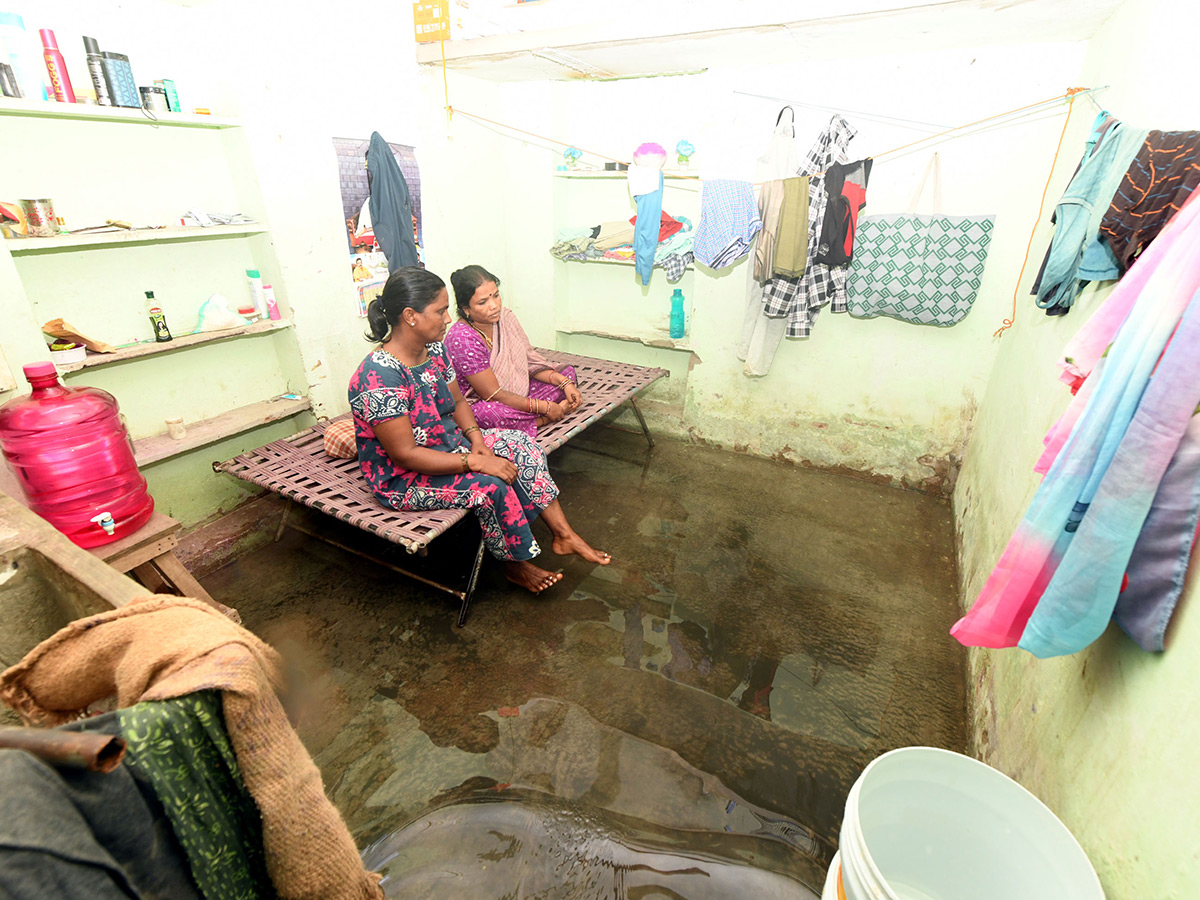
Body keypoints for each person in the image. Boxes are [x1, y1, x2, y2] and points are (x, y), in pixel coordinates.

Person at [348, 266, 610, 594]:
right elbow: (405, 454)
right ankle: (515, 565)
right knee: (490, 483)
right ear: (410, 316)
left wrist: (476, 440)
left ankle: (563, 535)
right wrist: (476, 462)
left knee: (520, 446)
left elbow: (458, 402)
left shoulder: (435, 353)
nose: (448, 319)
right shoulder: (378, 376)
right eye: (441, 311)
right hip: (403, 477)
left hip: (450, 445)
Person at [443, 265, 582, 438]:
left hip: (517, 393)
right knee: (488, 414)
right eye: (482, 302)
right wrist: (544, 408)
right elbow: (492, 394)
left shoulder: (505, 317)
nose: (494, 305)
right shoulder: (462, 338)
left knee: (566, 373)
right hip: (483, 402)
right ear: (466, 309)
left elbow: (529, 363)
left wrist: (565, 383)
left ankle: (532, 418)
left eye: (495, 296)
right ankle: (543, 419)